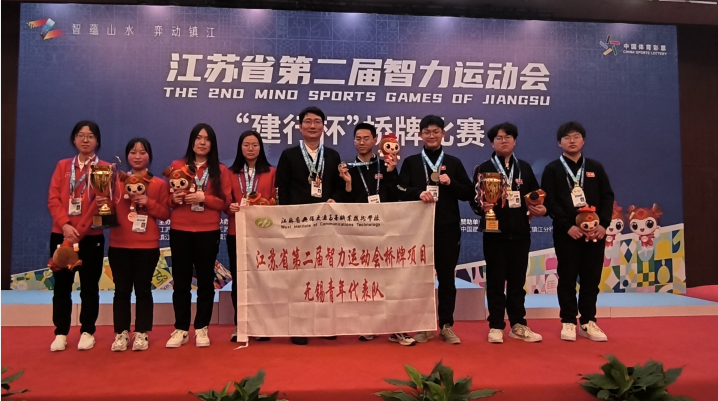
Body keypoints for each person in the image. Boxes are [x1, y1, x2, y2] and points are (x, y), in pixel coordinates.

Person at [395, 115, 474, 345]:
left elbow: (469, 193)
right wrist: (417, 193)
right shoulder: (411, 162)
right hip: (418, 230)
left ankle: (446, 326)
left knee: (447, 280)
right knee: (421, 280)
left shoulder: (453, 162)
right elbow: (399, 188)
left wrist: (451, 183)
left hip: (447, 230)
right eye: (427, 132)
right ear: (420, 134)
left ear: (443, 134)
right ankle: (425, 325)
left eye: (436, 131)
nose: (431, 135)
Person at [275, 106, 351, 345]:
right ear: (300, 127)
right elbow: (281, 189)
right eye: (308, 122)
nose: (312, 126)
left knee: (325, 273)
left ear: (323, 127)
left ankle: (324, 323)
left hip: (325, 224)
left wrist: (335, 199)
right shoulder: (289, 155)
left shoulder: (333, 155)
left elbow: (339, 187)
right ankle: (298, 326)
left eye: (317, 122)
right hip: (298, 224)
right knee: (299, 275)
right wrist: (287, 217)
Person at [470, 123, 545, 344]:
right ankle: (495, 325)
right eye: (499, 138)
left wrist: (540, 207)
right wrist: (481, 207)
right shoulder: (483, 168)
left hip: (520, 233)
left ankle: (518, 324)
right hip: (494, 233)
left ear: (515, 141)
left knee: (517, 282)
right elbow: (474, 200)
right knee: (495, 281)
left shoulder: (524, 168)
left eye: (508, 137)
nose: (504, 141)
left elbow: (535, 195)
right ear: (491, 143)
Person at [341, 123, 415, 346]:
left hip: (386, 230)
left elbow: (396, 195)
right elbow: (345, 202)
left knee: (392, 281)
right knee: (365, 280)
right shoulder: (347, 168)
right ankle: (369, 325)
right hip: (360, 232)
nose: (362, 142)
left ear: (375, 140)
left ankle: (396, 329)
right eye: (358, 138)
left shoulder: (386, 164)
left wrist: (391, 173)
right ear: (353, 141)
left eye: (366, 138)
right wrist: (347, 184)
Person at [541, 121, 614, 342]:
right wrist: (567, 226)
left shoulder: (595, 168)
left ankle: (588, 321)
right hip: (567, 233)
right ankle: (568, 321)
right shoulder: (552, 169)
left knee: (591, 279)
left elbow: (607, 197)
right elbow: (550, 202)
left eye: (576, 137)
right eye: (567, 138)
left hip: (595, 234)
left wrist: (603, 225)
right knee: (567, 278)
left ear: (583, 140)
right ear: (559, 143)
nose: (571, 141)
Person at [165, 123, 232, 348]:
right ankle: (181, 328)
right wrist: (175, 199)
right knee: (181, 282)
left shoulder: (220, 170)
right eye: (198, 138)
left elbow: (225, 203)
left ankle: (202, 328)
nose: (202, 142)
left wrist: (204, 198)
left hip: (208, 231)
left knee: (205, 282)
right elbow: (167, 200)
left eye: (207, 139)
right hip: (180, 230)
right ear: (192, 141)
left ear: (212, 144)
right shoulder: (177, 166)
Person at [47, 121, 108, 351]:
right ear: (74, 139)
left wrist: (104, 205)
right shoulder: (63, 166)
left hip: (91, 237)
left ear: (97, 141)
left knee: (89, 286)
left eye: (90, 136)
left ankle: (87, 331)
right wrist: (64, 225)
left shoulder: (103, 169)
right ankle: (61, 332)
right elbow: (53, 199)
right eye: (81, 135)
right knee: (62, 286)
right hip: (62, 234)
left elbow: (104, 207)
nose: (85, 140)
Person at [108, 138, 170, 351]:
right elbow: (108, 212)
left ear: (149, 156)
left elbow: (165, 214)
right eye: (133, 152)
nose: (137, 156)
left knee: (143, 290)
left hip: (147, 246)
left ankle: (142, 332)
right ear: (127, 156)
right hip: (119, 245)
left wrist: (148, 202)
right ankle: (121, 333)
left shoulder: (158, 184)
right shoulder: (116, 183)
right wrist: (103, 203)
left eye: (142, 152)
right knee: (121, 291)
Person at [226, 130, 276, 342]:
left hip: (262, 233)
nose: (250, 149)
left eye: (255, 145)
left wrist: (268, 206)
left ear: (261, 147)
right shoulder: (230, 173)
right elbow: (224, 201)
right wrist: (229, 207)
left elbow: (275, 200)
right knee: (239, 280)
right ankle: (241, 325)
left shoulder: (271, 172)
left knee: (261, 279)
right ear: (240, 147)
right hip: (236, 231)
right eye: (246, 145)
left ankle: (261, 324)